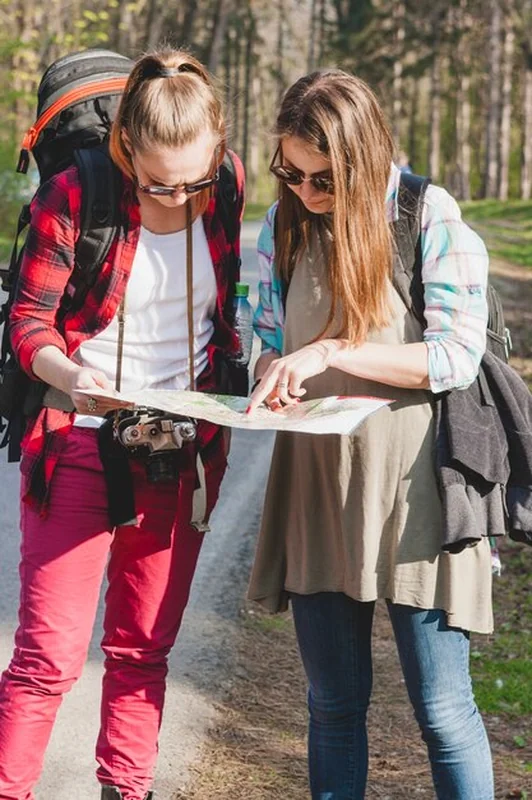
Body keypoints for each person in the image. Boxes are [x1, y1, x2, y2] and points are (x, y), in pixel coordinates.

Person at [0, 48, 244, 800]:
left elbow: (230, 314)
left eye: (194, 181)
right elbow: (29, 323)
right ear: (124, 147)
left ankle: (125, 791)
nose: (177, 197)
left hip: (183, 450)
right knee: (48, 658)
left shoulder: (227, 187)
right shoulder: (75, 197)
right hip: (78, 441)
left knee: (141, 653)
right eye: (158, 181)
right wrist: (72, 377)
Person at [247, 69, 494, 800]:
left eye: (320, 178)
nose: (303, 192)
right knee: (331, 709)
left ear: (361, 158)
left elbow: (455, 354)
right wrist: (270, 368)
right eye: (288, 172)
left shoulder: (426, 213)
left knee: (444, 714)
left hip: (418, 491)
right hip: (318, 484)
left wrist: (331, 351)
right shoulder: (281, 223)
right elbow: (261, 330)